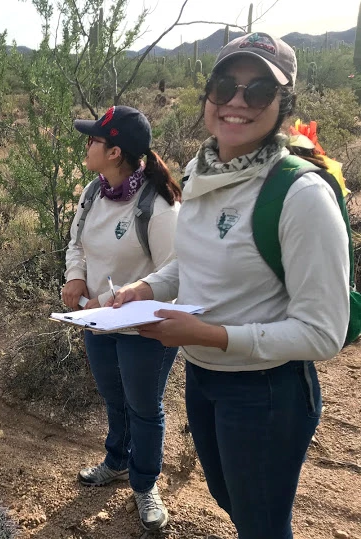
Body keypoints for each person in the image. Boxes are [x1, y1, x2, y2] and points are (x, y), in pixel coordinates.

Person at [109, 33, 349, 539]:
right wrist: (145, 289)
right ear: (208, 95)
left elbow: (323, 334)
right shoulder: (201, 173)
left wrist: (211, 335)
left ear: (285, 106)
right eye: (225, 85)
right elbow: (191, 264)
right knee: (230, 499)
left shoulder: (300, 194)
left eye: (260, 90)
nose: (238, 101)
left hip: (266, 390)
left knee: (261, 525)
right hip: (204, 378)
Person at [62, 105, 181, 531]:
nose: (87, 145)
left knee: (144, 407)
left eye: (94, 140)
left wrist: (113, 300)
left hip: (144, 329)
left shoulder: (158, 207)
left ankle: (145, 483)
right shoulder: (93, 192)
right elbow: (76, 243)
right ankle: (116, 461)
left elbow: (175, 276)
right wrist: (76, 277)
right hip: (96, 322)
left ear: (115, 152)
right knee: (115, 399)